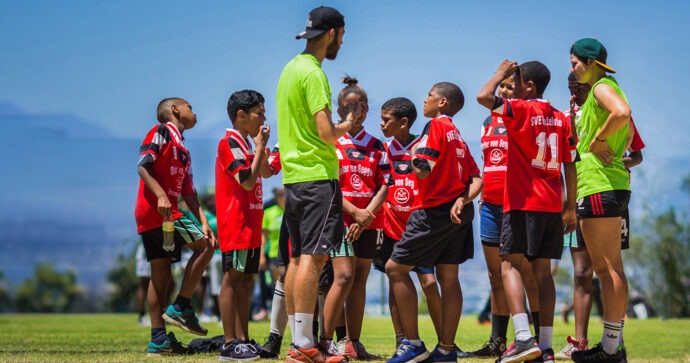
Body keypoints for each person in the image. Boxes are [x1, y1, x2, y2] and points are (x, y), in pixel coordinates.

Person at [477, 60, 577, 363]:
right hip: (551, 205)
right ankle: (545, 346)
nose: (511, 88)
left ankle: (522, 337)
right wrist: (570, 206)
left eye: (515, 82)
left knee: (509, 265)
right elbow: (570, 164)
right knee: (543, 273)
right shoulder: (561, 118)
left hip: (522, 202)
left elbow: (483, 97)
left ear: (529, 86)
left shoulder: (520, 109)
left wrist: (497, 74)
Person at [276, 6, 356, 363]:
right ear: (333, 33)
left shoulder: (290, 69)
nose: (342, 42)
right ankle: (305, 345)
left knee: (297, 259)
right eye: (342, 35)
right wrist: (347, 124)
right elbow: (326, 133)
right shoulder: (313, 73)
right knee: (314, 257)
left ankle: (301, 341)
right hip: (317, 177)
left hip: (293, 179)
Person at [385, 82, 482, 363]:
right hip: (459, 213)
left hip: (433, 211)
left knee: (394, 268)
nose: (424, 100)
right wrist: (463, 200)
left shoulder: (435, 127)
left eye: (429, 95)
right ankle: (446, 350)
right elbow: (477, 179)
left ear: (442, 102)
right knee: (449, 280)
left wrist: (415, 157)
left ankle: (413, 344)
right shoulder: (459, 137)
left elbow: (424, 170)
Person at [460, 74, 540, 359]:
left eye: (510, 87)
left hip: (517, 205)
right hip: (490, 206)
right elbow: (489, 163)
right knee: (496, 276)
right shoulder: (486, 124)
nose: (505, 91)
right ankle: (497, 340)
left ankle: (537, 339)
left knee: (523, 273)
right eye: (501, 87)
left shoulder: (522, 117)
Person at [569, 38, 633, 363]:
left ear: (590, 62)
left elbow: (623, 113)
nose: (572, 69)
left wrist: (598, 139)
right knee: (611, 268)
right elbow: (631, 134)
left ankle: (610, 350)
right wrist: (612, 143)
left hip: (597, 186)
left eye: (574, 63)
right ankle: (613, 346)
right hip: (613, 185)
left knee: (605, 269)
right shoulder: (610, 86)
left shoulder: (599, 88)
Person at [135, 97, 216, 356]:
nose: (195, 112)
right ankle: (181, 306)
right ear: (174, 110)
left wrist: (203, 220)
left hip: (162, 215)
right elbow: (142, 166)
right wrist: (160, 195)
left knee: (161, 275)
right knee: (205, 248)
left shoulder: (183, 149)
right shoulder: (161, 132)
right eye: (190, 107)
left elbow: (189, 191)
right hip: (160, 213)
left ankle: (158, 340)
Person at [318, 77, 387, 360]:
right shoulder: (332, 142)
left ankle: (353, 343)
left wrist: (365, 216)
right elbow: (328, 185)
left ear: (367, 109)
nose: (354, 112)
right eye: (348, 106)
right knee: (343, 277)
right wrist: (354, 213)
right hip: (341, 222)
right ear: (338, 110)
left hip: (369, 222)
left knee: (359, 282)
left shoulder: (376, 145)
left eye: (359, 106)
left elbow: (384, 184)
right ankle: (323, 342)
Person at [374, 97, 445, 352]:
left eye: (386, 120)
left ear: (403, 123)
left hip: (418, 228)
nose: (381, 124)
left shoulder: (423, 145)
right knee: (395, 281)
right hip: (391, 227)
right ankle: (401, 340)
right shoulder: (382, 149)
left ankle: (445, 342)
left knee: (428, 282)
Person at [215, 90, 275, 361]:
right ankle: (229, 342)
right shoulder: (229, 142)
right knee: (233, 278)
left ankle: (244, 339)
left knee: (248, 281)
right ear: (241, 116)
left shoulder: (249, 144)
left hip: (252, 222)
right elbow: (247, 181)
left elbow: (263, 172)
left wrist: (269, 150)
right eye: (259, 113)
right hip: (236, 223)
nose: (264, 118)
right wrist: (261, 146)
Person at [135, 241, 151, 326]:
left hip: (144, 251)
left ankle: (143, 316)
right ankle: (144, 315)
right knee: (146, 285)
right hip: (147, 251)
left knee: (144, 285)